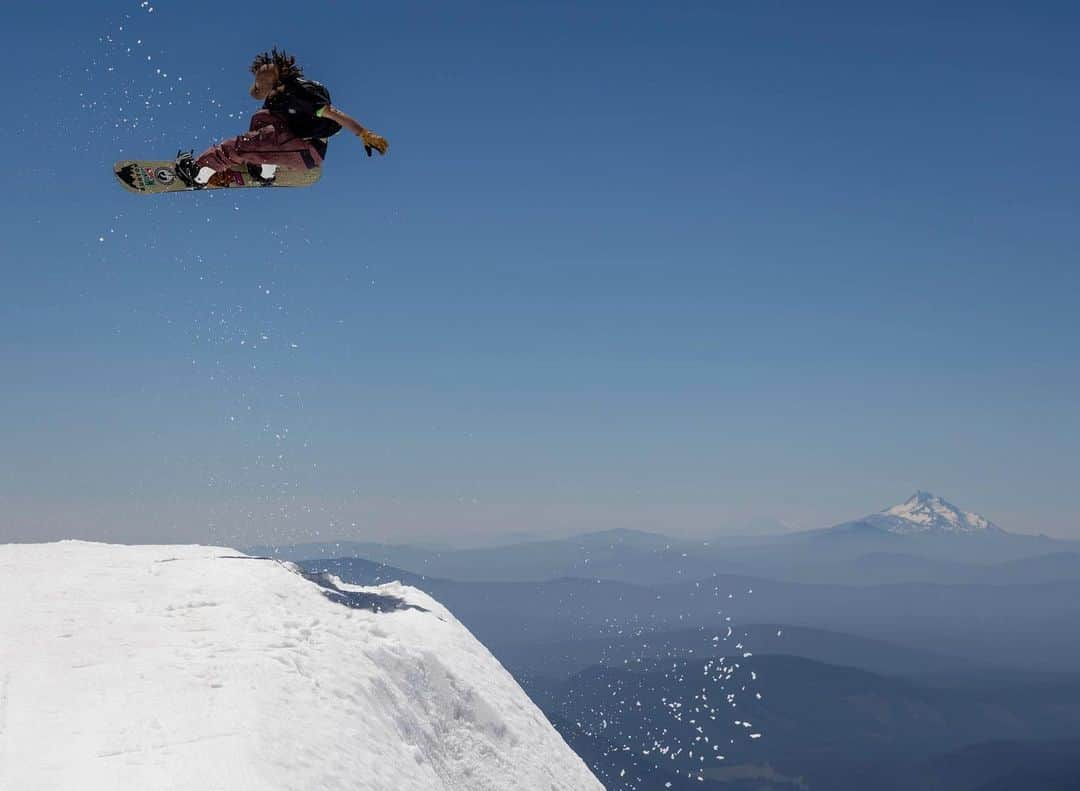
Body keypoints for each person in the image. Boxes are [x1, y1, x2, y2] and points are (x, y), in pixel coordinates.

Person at [174, 48, 388, 188]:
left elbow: (334, 114)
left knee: (245, 145)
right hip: (291, 141)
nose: (257, 87)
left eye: (261, 83)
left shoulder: (301, 94)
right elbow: (260, 107)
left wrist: (364, 134)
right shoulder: (275, 97)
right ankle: (265, 172)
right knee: (261, 118)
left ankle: (199, 174)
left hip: (307, 152)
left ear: (275, 82)